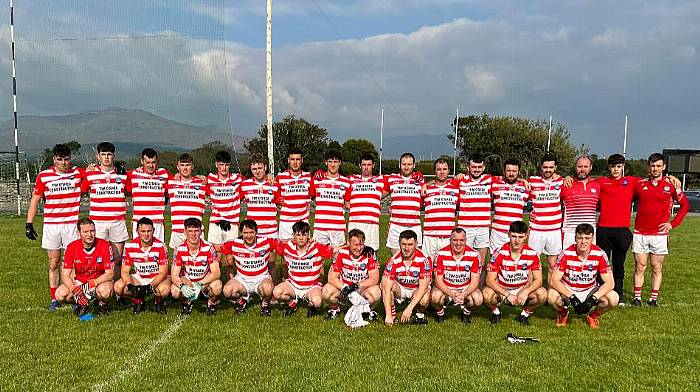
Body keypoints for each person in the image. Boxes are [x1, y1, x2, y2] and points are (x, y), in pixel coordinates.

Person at [25, 144, 83, 310]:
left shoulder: (78, 173)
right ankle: (54, 299)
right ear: (54, 159)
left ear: (70, 159)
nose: (63, 163)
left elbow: (99, 171)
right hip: (52, 226)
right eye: (60, 159)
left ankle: (74, 297)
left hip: (71, 225)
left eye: (66, 159)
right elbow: (35, 200)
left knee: (72, 264)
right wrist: (29, 223)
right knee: (54, 263)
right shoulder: (44, 176)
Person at [631, 153, 689, 306]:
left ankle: (653, 299)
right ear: (648, 167)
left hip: (659, 234)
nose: (655, 169)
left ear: (663, 167)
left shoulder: (671, 185)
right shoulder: (639, 185)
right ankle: (637, 298)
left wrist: (672, 224)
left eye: (658, 166)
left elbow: (685, 206)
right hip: (640, 233)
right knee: (640, 266)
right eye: (652, 166)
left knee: (656, 267)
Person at [548, 223, 618, 329]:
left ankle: (593, 316)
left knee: (613, 298)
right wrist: (572, 297)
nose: (583, 241)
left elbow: (610, 283)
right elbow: (554, 280)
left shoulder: (600, 254)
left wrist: (593, 299)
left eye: (587, 238)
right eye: (580, 238)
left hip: (589, 290)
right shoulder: (566, 254)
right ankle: (563, 314)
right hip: (569, 289)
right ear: (575, 238)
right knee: (551, 296)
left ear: (592, 238)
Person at [81, 142, 129, 285]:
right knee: (99, 259)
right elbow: (80, 190)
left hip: (117, 222)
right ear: (98, 156)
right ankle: (100, 291)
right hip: (98, 223)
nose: (106, 157)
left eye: (109, 154)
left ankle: (116, 291)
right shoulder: (90, 174)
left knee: (117, 258)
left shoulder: (123, 174)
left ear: (114, 156)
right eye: (103, 154)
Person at [483, 221, 547, 325]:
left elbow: (539, 280)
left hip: (522, 289)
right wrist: (507, 294)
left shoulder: (532, 253)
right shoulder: (499, 253)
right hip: (503, 290)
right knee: (486, 294)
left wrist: (526, 291)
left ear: (526, 236)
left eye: (520, 237)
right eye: (514, 236)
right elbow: (489, 280)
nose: (517, 241)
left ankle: (524, 315)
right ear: (508, 234)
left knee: (542, 294)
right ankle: (496, 312)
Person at [272, 221, 335, 317]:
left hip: (311, 287)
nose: (301, 238)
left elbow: (335, 250)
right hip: (293, 286)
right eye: (298, 235)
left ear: (308, 235)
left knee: (317, 302)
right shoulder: (287, 247)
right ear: (293, 236)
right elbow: (269, 244)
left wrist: (354, 247)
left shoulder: (316, 247)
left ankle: (310, 304)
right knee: (277, 293)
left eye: (304, 235)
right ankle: (292, 304)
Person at [54, 218, 114, 315]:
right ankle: (81, 302)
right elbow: (65, 274)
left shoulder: (105, 245)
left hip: (99, 282)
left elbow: (110, 273)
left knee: (105, 292)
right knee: (60, 294)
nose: (90, 234)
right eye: (85, 232)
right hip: (80, 282)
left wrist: (93, 282)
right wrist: (73, 288)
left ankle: (102, 303)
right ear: (79, 233)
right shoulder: (71, 247)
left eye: (92, 231)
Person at [114, 217, 170, 314]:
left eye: (149, 231)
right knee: (118, 287)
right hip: (139, 278)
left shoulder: (161, 246)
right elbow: (124, 271)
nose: (146, 234)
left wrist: (150, 286)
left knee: (164, 290)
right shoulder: (130, 246)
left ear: (154, 231)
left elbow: (163, 272)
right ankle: (138, 299)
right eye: (143, 231)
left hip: (156, 277)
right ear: (137, 231)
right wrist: (130, 285)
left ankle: (158, 300)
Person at [322, 229, 381, 320]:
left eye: (361, 244)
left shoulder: (369, 253)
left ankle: (368, 310)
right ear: (349, 243)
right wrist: (345, 287)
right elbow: (331, 277)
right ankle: (335, 309)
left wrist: (356, 285)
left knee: (376, 293)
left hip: (361, 290)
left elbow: (374, 278)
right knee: (326, 290)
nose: (358, 248)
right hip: (344, 291)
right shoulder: (341, 253)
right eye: (356, 245)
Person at [221, 219, 277, 317]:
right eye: (245, 233)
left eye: (252, 232)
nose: (249, 235)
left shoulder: (267, 242)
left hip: (261, 279)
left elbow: (285, 246)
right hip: (242, 280)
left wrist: (308, 243)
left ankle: (264, 304)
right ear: (241, 233)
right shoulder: (233, 244)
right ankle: (241, 302)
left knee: (268, 289)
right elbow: (217, 249)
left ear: (256, 232)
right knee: (227, 291)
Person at [171, 218, 222, 315]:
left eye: (196, 231)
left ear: (201, 232)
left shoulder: (208, 247)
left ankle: (211, 303)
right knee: (175, 290)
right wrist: (182, 286)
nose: (193, 234)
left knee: (217, 286)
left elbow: (216, 272)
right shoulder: (179, 248)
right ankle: (186, 302)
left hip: (204, 283)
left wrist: (200, 284)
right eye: (190, 231)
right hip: (188, 283)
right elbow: (174, 274)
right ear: (185, 232)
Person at [430, 228, 482, 324]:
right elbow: (438, 281)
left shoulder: (474, 254)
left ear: (466, 240)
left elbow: (475, 281)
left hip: (464, 288)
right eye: (455, 240)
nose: (458, 243)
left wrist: (464, 294)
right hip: (446, 288)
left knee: (478, 299)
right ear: (450, 240)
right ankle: (440, 314)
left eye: (461, 240)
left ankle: (465, 314)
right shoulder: (441, 254)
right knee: (435, 296)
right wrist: (452, 294)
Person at [380, 230, 432, 325]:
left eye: (410, 244)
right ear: (399, 244)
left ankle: (419, 315)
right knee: (384, 285)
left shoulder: (424, 259)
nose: (406, 248)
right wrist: (387, 315)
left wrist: (409, 309)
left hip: (416, 288)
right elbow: (385, 287)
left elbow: (423, 287)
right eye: (403, 244)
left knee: (424, 297)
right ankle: (392, 315)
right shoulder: (393, 260)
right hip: (401, 288)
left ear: (416, 244)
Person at [527, 152, 563, 276]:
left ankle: (551, 292)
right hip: (536, 229)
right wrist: (527, 211)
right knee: (532, 263)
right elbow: (517, 189)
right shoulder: (532, 181)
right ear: (541, 167)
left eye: (551, 167)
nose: (548, 170)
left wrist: (568, 177)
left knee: (553, 264)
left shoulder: (561, 182)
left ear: (555, 167)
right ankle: (531, 292)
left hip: (554, 230)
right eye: (545, 167)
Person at [454, 153, 493, 265]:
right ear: (468, 167)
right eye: (474, 167)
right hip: (466, 228)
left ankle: (479, 283)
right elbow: (441, 183)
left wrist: (523, 180)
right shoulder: (461, 180)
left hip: (483, 228)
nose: (476, 170)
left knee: (481, 263)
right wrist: (429, 183)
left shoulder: (489, 179)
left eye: (479, 167)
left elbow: (509, 177)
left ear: (484, 167)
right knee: (463, 261)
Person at [383, 153, 424, 256]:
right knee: (396, 258)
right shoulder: (391, 178)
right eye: (404, 164)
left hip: (414, 225)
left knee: (415, 260)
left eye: (409, 164)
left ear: (414, 165)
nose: (406, 167)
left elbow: (436, 184)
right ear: (399, 165)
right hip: (396, 226)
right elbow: (378, 194)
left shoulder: (420, 180)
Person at [127, 148, 170, 243]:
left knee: (158, 252)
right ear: (142, 161)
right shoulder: (133, 174)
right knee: (137, 252)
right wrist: (94, 167)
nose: (151, 165)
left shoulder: (164, 174)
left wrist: (201, 177)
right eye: (148, 162)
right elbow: (113, 172)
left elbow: (180, 178)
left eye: (153, 162)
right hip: (139, 222)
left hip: (157, 222)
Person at [166, 153, 208, 250]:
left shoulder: (202, 183)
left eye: (188, 165)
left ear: (192, 166)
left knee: (198, 262)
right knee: (177, 263)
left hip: (196, 231)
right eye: (182, 165)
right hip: (178, 231)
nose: (185, 168)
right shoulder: (171, 182)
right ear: (178, 167)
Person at [310, 150, 351, 247]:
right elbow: (313, 197)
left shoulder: (346, 182)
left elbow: (347, 204)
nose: (333, 165)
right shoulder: (317, 180)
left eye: (335, 161)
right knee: (317, 260)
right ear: (325, 162)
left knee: (337, 259)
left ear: (340, 163)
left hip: (338, 227)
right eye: (330, 161)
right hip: (320, 227)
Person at [206, 150, 244, 255]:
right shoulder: (210, 179)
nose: (224, 168)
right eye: (221, 165)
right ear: (216, 164)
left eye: (226, 165)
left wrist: (269, 176)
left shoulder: (238, 179)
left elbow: (255, 180)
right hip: (215, 223)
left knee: (231, 258)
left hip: (232, 223)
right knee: (216, 256)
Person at [489, 158, 529, 254]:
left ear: (518, 171)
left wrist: (523, 180)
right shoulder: (494, 184)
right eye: (508, 170)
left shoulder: (525, 187)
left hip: (516, 233)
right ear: (504, 171)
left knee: (515, 263)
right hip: (498, 233)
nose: (511, 173)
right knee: (494, 262)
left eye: (514, 171)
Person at [422, 158, 460, 260]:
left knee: (446, 268)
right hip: (430, 236)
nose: (442, 172)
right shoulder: (426, 189)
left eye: (444, 169)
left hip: (448, 236)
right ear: (435, 171)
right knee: (428, 268)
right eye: (439, 169)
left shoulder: (456, 189)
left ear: (448, 171)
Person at [346, 153, 384, 251]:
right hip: (355, 223)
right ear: (360, 165)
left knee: (371, 252)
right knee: (353, 253)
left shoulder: (381, 180)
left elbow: (402, 178)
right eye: (364, 165)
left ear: (373, 165)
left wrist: (417, 174)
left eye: (369, 165)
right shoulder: (351, 180)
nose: (366, 167)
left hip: (372, 224)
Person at [560, 156, 600, 249]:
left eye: (585, 167)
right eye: (579, 166)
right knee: (568, 262)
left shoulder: (597, 185)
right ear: (575, 167)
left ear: (591, 167)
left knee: (588, 262)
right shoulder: (565, 184)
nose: (582, 169)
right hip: (570, 232)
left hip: (590, 233)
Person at [275, 148, 312, 241]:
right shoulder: (280, 177)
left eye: (298, 159)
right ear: (288, 160)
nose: (295, 162)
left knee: (304, 253)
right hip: (286, 223)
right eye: (292, 159)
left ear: (302, 160)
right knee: (285, 253)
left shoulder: (309, 177)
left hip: (303, 222)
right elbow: (275, 197)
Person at [241, 155, 280, 239]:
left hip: (271, 232)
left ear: (265, 167)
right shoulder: (244, 185)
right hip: (253, 232)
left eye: (260, 168)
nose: (257, 171)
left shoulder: (274, 184)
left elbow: (280, 204)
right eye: (254, 169)